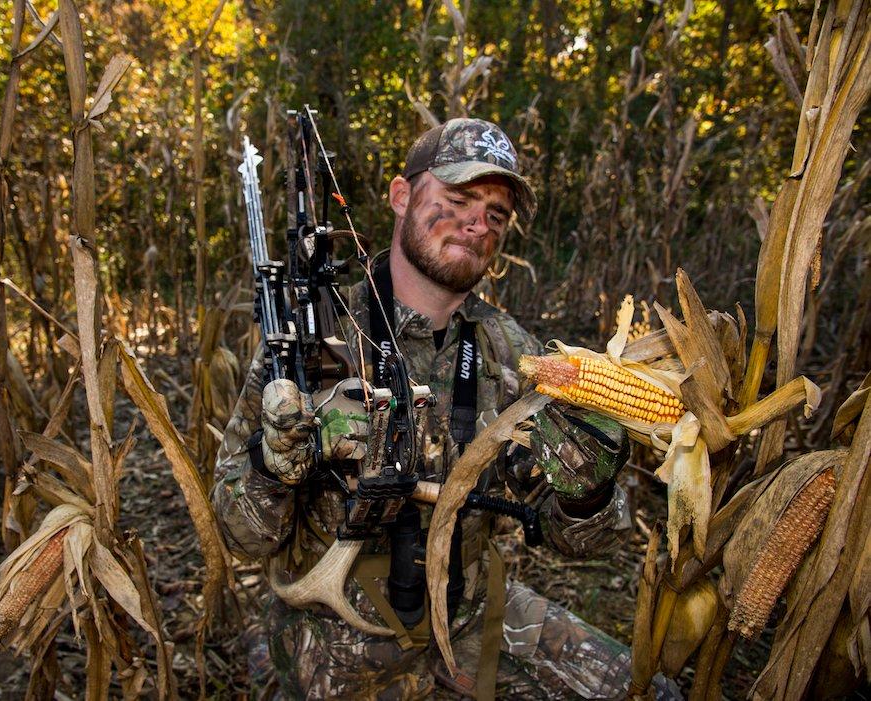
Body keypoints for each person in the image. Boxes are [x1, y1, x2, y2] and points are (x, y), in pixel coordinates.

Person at [212, 118, 678, 699]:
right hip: (336, 630)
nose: (478, 222)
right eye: (458, 198)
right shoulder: (314, 340)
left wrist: (588, 488)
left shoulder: (512, 353)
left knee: (648, 691)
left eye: (496, 213)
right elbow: (239, 536)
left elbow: (579, 543)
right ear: (401, 196)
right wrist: (274, 463)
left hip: (467, 611)